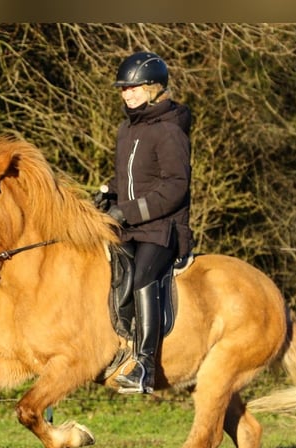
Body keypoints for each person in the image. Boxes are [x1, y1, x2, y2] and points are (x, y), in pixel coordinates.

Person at [97, 51, 194, 395]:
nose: (128, 94)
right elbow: (132, 178)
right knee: (107, 267)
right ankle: (118, 346)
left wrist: (129, 211)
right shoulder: (128, 129)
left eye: (134, 88)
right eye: (124, 89)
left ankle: (145, 366)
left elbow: (174, 187)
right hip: (134, 226)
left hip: (164, 229)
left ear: (155, 88)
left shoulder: (170, 130)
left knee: (142, 276)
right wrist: (108, 193)